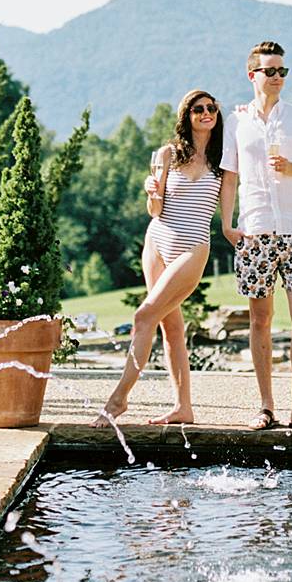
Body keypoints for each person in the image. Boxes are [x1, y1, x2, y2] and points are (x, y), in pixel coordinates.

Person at [220, 41, 292, 431]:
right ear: (252, 75)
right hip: (253, 232)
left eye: (283, 71)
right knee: (260, 320)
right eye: (271, 71)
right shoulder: (235, 122)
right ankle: (266, 407)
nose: (278, 78)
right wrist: (226, 223)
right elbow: (229, 177)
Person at [94, 90, 223, 427]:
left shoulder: (225, 160)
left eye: (211, 108)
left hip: (193, 247)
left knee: (143, 316)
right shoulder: (168, 154)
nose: (206, 113)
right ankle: (184, 408)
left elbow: (229, 208)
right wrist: (152, 192)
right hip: (157, 241)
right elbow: (155, 210)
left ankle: (119, 398)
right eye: (199, 109)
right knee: (171, 327)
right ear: (187, 115)